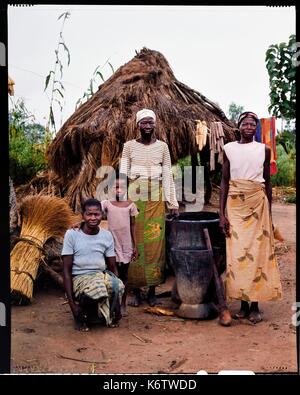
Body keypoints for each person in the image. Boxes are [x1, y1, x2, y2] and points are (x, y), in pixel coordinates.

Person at [219, 111, 282, 324]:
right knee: (238, 254)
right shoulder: (228, 149)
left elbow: (267, 181)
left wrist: (270, 212)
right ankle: (243, 305)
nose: (248, 127)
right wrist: (222, 214)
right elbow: (225, 181)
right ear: (238, 127)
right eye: (244, 124)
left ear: (256, 128)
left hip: (258, 203)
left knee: (257, 253)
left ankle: (255, 306)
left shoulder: (263, 149)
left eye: (252, 124)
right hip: (235, 205)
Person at [120, 108, 179, 307]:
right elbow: (122, 173)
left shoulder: (162, 147)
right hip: (135, 193)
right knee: (135, 240)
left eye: (150, 122)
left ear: (155, 124)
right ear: (137, 125)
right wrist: (121, 200)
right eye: (143, 122)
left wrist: (172, 203)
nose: (147, 126)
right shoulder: (128, 146)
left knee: (155, 242)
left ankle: (152, 290)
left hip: (156, 195)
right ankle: (136, 290)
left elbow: (168, 174)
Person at [62, 198, 124, 331]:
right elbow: (66, 271)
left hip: (100, 275)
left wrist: (116, 301)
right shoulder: (72, 234)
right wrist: (72, 306)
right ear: (83, 216)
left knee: (118, 285)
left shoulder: (106, 236)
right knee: (98, 287)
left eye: (97, 214)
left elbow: (113, 267)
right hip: (80, 277)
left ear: (102, 215)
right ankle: (81, 315)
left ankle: (105, 312)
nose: (93, 218)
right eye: (89, 214)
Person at [101, 172, 139, 316]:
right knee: (113, 274)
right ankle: (113, 302)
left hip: (126, 245)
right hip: (111, 245)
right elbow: (93, 214)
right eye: (115, 187)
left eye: (122, 186)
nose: (118, 189)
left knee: (125, 276)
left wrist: (135, 246)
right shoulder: (106, 204)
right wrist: (79, 224)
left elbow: (133, 226)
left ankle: (123, 303)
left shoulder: (131, 205)